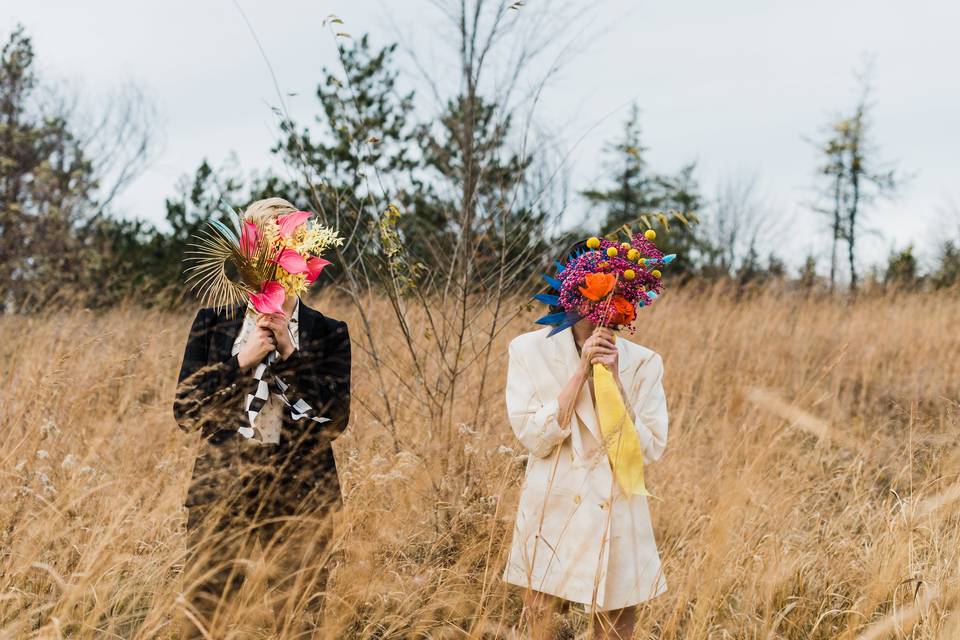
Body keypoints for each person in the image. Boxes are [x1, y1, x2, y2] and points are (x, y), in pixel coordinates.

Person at [172, 197, 351, 638]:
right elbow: (187, 411)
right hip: (221, 488)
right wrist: (242, 361)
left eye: (285, 245)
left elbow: (336, 419)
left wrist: (290, 355)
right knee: (204, 618)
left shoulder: (328, 332)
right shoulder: (213, 323)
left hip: (301, 494)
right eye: (261, 247)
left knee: (299, 621)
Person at [503, 245, 669, 640]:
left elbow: (650, 449)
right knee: (540, 623)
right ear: (571, 289)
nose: (611, 299)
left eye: (620, 288)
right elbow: (532, 437)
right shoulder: (528, 350)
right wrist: (581, 372)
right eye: (600, 286)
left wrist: (614, 379)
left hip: (618, 503)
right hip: (554, 504)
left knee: (614, 631)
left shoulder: (645, 362)